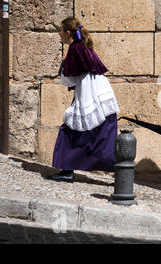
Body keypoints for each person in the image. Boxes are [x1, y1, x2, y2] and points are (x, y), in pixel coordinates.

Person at [49, 18, 120, 182]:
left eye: (61, 31)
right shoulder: (83, 47)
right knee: (103, 135)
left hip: (91, 95)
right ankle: (120, 172)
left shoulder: (75, 49)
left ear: (68, 33)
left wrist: (62, 68)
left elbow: (71, 79)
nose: (59, 34)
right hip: (101, 93)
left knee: (69, 131)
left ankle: (67, 170)